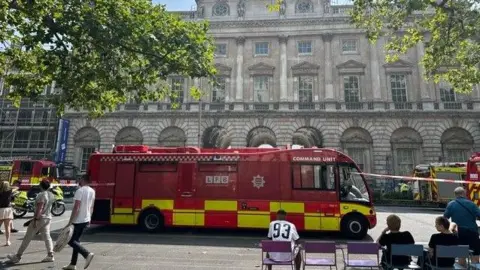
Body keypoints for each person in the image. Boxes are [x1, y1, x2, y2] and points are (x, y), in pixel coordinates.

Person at [7, 180, 55, 263]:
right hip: (48, 218)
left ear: (40, 186)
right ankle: (50, 254)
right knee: (47, 236)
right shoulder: (51, 195)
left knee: (27, 237)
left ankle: (18, 256)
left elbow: (40, 207)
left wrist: (35, 219)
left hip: (40, 218)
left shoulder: (41, 195)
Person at [62, 174, 95, 270]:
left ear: (83, 180)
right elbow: (91, 206)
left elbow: (76, 207)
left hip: (78, 220)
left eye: (80, 179)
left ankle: (86, 254)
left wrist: (70, 222)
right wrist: (90, 219)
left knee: (69, 240)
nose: (79, 180)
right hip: (86, 219)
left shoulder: (79, 191)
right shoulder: (92, 191)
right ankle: (73, 264)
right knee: (76, 241)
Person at [444, 186, 480, 266]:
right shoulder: (471, 204)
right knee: (475, 255)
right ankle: (475, 267)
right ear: (464, 193)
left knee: (461, 255)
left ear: (455, 194)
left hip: (458, 232)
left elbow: (445, 218)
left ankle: (462, 267)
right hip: (472, 232)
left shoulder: (451, 204)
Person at [0, 181, 14, 246]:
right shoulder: (9, 191)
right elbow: (17, 187)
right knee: (7, 227)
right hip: (8, 209)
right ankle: (7, 241)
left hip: (0, 209)